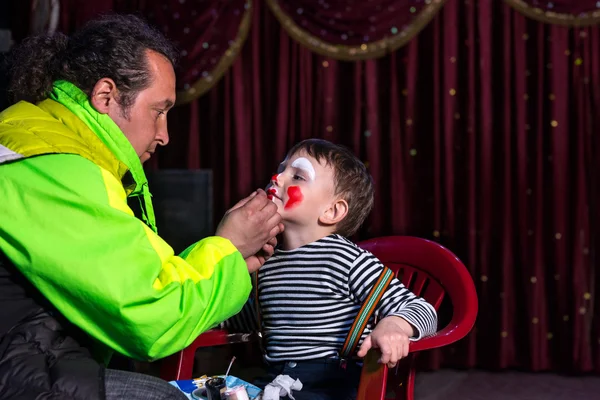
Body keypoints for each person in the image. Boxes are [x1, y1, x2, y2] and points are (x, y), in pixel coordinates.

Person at [0, 14, 282, 400]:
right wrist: (228, 247)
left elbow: (135, 281)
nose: (165, 135)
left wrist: (226, 264)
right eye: (159, 111)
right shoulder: (53, 164)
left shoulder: (42, 141)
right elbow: (150, 313)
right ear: (106, 96)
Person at [227, 139, 438, 400]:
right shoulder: (265, 261)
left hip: (331, 385)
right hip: (276, 381)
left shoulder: (344, 258)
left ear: (332, 210)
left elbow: (423, 310)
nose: (277, 177)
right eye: (281, 169)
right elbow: (246, 317)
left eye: (298, 175)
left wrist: (394, 325)